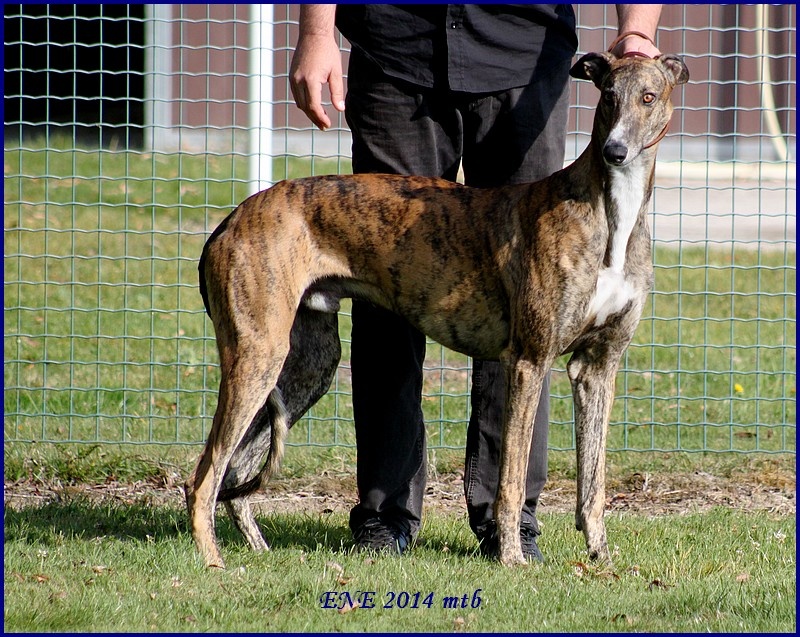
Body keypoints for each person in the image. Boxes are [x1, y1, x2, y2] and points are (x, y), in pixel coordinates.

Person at [289, 4, 662, 560]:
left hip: (524, 55)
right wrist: (316, 31)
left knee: (532, 318)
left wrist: (636, 31)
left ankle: (509, 519)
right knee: (385, 288)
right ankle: (384, 516)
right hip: (397, 51)